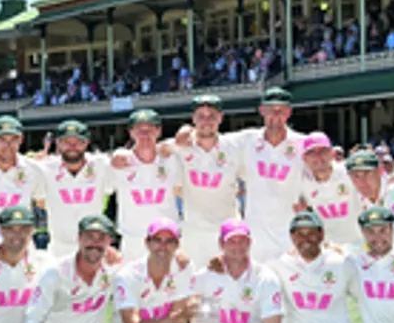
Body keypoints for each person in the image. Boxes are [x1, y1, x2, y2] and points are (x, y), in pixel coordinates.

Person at [236, 88, 307, 263]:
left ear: (289, 112)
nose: (275, 115)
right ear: (262, 111)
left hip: (289, 235)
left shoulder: (302, 144)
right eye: (270, 110)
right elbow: (213, 141)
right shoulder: (247, 140)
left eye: (281, 110)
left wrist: (309, 204)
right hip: (256, 236)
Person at [173, 94, 245, 267]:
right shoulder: (181, 148)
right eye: (201, 117)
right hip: (194, 234)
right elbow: (156, 150)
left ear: (221, 118)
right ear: (193, 119)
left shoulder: (234, 147)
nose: (207, 121)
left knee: (229, 286)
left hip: (227, 232)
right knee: (195, 288)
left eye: (212, 116)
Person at [37, 120, 115, 261]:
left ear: (86, 143)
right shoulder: (45, 168)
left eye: (78, 142)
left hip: (94, 246)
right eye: (67, 141)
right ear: (58, 143)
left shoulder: (101, 164)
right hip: (58, 249)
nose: (72, 147)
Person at [112, 110, 182, 263]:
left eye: (150, 129)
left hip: (166, 240)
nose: (145, 134)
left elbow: (191, 139)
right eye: (139, 130)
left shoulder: (171, 160)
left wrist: (174, 145)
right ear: (131, 132)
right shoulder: (119, 163)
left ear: (159, 131)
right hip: (133, 241)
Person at [346, 150, 394, 249]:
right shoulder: (359, 199)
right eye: (356, 176)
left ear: (380, 171)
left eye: (367, 174)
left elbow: (388, 235)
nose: (362, 181)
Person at [299, 132, 362, 247]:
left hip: (358, 244)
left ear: (332, 154)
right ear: (304, 158)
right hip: (329, 248)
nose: (318, 157)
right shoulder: (301, 182)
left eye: (323, 151)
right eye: (312, 152)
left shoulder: (349, 173)